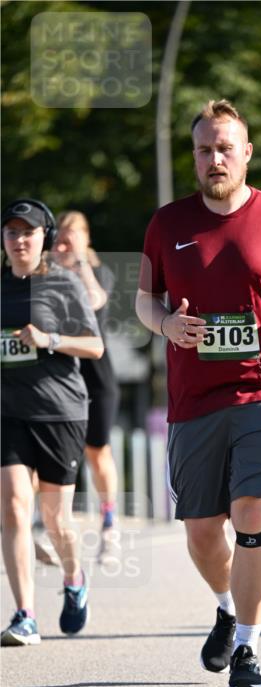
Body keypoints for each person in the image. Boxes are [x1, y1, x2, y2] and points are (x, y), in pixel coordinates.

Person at [135, 99, 261, 687]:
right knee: (200, 530)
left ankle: (247, 648)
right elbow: (146, 300)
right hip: (195, 398)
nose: (215, 158)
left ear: (246, 153)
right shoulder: (168, 224)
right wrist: (166, 325)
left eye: (225, 148)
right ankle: (226, 604)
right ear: (194, 157)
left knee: (251, 512)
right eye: (204, 150)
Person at [1, 198, 103, 645]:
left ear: (44, 237)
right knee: (14, 505)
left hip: (60, 411)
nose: (19, 239)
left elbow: (95, 347)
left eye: (28, 231)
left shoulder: (63, 284)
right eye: (11, 231)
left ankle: (74, 576)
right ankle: (25, 613)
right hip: (8, 411)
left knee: (55, 517)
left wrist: (49, 339)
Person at [53, 211, 120, 560]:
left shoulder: (99, 272)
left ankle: (109, 524)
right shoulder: (47, 275)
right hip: (62, 377)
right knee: (57, 454)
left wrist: (79, 264)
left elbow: (95, 302)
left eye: (70, 238)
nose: (63, 245)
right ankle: (52, 525)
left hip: (97, 376)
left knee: (97, 451)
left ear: (84, 239)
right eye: (59, 239)